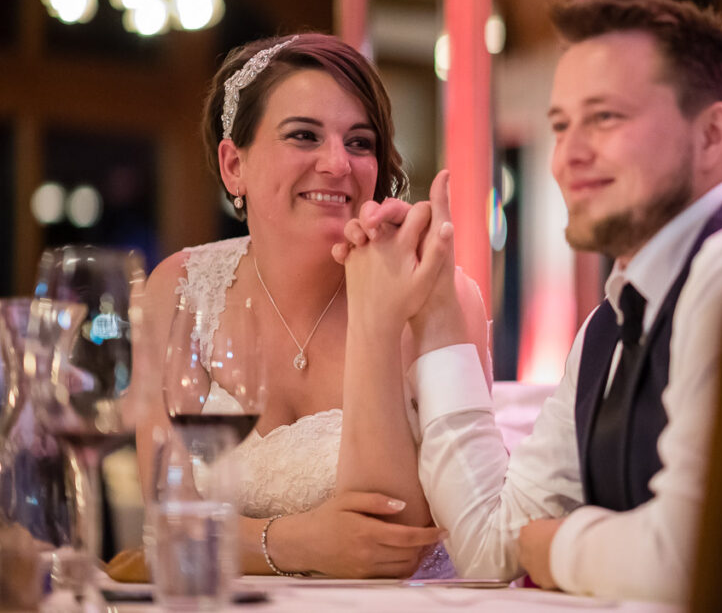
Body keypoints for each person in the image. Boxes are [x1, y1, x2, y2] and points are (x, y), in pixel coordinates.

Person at [335, 0, 722, 602]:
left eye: (605, 118)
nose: (568, 157)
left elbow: (691, 557)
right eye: (561, 125)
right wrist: (438, 313)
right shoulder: (612, 324)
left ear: (712, 134)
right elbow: (490, 543)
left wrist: (551, 546)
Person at [130, 32, 490, 579]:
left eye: (360, 142)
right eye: (304, 135)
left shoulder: (435, 294)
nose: (337, 163)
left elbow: (394, 543)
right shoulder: (179, 292)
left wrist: (376, 312)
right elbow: (169, 523)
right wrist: (296, 542)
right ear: (234, 166)